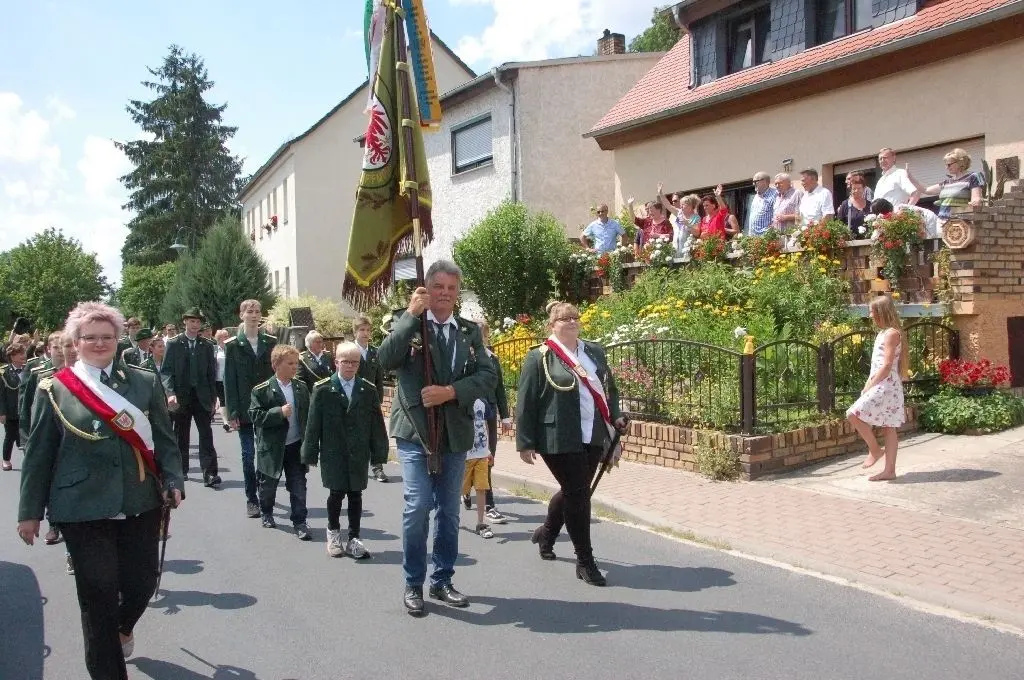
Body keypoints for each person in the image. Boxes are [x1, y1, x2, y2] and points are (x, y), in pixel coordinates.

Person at [17, 301, 184, 680]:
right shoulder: (55, 389)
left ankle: (122, 628)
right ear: (75, 342)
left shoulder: (143, 381)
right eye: (89, 337)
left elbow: (164, 439)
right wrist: (29, 512)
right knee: (98, 597)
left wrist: (173, 480)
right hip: (80, 507)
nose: (98, 343)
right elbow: (39, 454)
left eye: (106, 336)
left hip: (139, 500)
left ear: (118, 338)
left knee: (142, 584)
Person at [378, 260, 497, 616]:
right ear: (426, 289)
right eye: (438, 287)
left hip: (454, 433)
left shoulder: (468, 331)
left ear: (457, 294)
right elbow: (385, 360)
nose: (444, 294)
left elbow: (488, 377)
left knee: (447, 511)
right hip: (415, 431)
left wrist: (450, 391)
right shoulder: (408, 323)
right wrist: (410, 317)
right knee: (417, 508)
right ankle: (413, 582)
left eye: (451, 288)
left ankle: (442, 579)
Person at [516, 301, 627, 586]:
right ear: (552, 325)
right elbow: (526, 401)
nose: (572, 321)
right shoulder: (539, 357)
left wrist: (615, 417)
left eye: (575, 317)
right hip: (557, 437)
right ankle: (585, 561)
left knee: (574, 491)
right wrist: (525, 441)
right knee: (579, 494)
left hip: (593, 432)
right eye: (565, 318)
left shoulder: (594, 352)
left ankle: (547, 533)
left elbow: (608, 389)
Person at [303, 342, 388, 558]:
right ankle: (333, 533)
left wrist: (379, 452)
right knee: (336, 493)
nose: (350, 366)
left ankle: (354, 538)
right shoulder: (322, 389)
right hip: (334, 451)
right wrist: (310, 452)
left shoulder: (367, 389)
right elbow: (313, 424)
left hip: (358, 451)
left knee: (356, 494)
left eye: (354, 362)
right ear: (336, 362)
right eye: (345, 362)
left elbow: (376, 424)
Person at [249, 345, 311, 539]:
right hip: (272, 447)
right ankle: (266, 511)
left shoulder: (300, 388)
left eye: (296, 363)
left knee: (298, 485)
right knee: (268, 485)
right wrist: (278, 413)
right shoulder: (261, 390)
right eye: (290, 363)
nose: (295, 367)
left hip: (295, 445)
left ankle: (300, 521)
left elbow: (308, 416)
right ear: (276, 365)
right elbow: (255, 416)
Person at [224, 299, 278, 519]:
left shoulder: (270, 341)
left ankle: (264, 495)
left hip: (265, 407)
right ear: (241, 315)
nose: (255, 315)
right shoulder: (233, 345)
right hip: (245, 409)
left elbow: (275, 374)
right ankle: (251, 499)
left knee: (265, 454)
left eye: (257, 312)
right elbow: (229, 380)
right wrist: (232, 413)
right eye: (250, 311)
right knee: (248, 455)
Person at [846, 296, 908, 482]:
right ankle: (889, 470)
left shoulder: (891, 334)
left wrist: (869, 386)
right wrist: (869, 382)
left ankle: (875, 450)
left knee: (852, 414)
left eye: (872, 311)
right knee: (889, 427)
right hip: (884, 384)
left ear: (881, 312)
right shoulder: (883, 333)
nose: (870, 314)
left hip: (886, 385)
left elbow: (887, 364)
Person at [161, 308, 219, 487]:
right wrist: (170, 394)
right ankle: (181, 470)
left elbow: (211, 373)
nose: (195, 325)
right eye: (192, 321)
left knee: (206, 434)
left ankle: (209, 473)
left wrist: (214, 398)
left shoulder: (207, 345)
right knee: (181, 434)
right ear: (185, 322)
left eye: (198, 322)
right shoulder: (174, 343)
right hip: (181, 396)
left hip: (202, 396)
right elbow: (166, 371)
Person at [463, 319, 511, 524]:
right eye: (478, 335)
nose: (482, 339)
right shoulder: (466, 358)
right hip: (469, 414)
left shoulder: (493, 359)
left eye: (484, 335)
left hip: (489, 412)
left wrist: (506, 415)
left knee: (487, 457)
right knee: (467, 458)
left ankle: (489, 505)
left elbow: (499, 388)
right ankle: (465, 489)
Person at [354, 314, 388, 483]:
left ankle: (377, 467)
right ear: (355, 332)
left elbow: (379, 379)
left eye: (368, 330)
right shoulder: (349, 351)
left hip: (371, 401)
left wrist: (379, 400)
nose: (365, 333)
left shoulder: (375, 352)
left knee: (375, 436)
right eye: (362, 330)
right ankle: (355, 467)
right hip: (353, 401)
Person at [462, 397, 495, 539]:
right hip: (464, 455)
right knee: (460, 488)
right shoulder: (461, 400)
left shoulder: (483, 402)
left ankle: (480, 523)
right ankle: (450, 517)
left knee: (481, 488)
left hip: (481, 454)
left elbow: (485, 426)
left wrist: (488, 451)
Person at [1, 341, 27, 470]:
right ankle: (6, 460)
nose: (24, 355)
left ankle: (28, 460)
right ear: (12, 356)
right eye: (20, 353)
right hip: (11, 411)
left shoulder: (29, 369)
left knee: (26, 434)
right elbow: (1, 395)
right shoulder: (4, 373)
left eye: (24, 352)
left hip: (26, 410)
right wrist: (2, 412)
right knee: (10, 436)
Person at [214, 329, 230, 432]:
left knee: (230, 399)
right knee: (223, 400)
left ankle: (232, 419)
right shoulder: (214, 350)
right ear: (219, 338)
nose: (227, 338)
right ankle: (225, 422)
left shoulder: (231, 349)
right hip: (218, 379)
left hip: (230, 379)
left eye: (228, 336)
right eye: (225, 336)